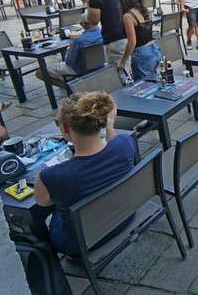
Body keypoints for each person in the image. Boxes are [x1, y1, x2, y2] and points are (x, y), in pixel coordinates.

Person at [34, 92, 138, 256]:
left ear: (66, 129)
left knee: (47, 213)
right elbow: (114, 140)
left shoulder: (51, 176)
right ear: (101, 122)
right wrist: (110, 125)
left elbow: (43, 202)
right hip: (124, 218)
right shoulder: (125, 145)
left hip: (80, 242)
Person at [74, 0, 128, 68]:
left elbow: (93, 21)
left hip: (114, 39)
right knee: (128, 68)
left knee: (119, 73)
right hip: (128, 34)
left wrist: (88, 3)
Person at [37, 15, 103, 85]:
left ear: (83, 24)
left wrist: (68, 51)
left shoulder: (79, 40)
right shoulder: (102, 33)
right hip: (98, 65)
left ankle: (70, 89)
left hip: (79, 68)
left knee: (40, 72)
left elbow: (69, 61)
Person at [116, 0, 161, 81]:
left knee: (143, 85)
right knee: (153, 81)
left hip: (141, 53)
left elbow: (132, 42)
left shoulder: (128, 16)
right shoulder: (145, 10)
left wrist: (123, 61)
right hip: (153, 49)